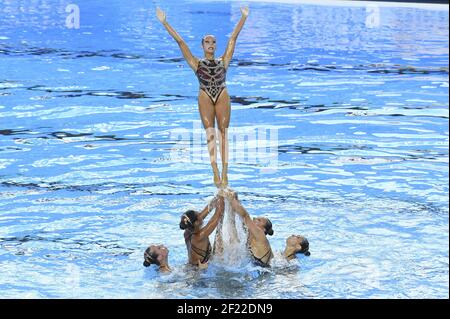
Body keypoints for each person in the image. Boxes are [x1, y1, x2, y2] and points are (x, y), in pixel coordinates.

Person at [156, 6, 250, 188]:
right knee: (210, 134)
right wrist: (165, 22)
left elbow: (233, 39)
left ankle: (225, 172)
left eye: (213, 42)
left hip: (222, 93)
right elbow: (181, 42)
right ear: (202, 45)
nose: (211, 44)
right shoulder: (196, 63)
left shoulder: (224, 61)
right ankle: (214, 170)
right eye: (208, 42)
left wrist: (243, 17)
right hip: (205, 95)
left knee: (223, 133)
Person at [226, 191, 274, 267]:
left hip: (263, 273)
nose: (254, 218)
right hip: (253, 269)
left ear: (263, 229)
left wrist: (231, 199)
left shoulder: (261, 237)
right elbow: (240, 217)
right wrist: (235, 198)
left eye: (258, 220)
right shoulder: (250, 233)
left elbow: (245, 216)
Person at [179, 194, 225, 267]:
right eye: (199, 214)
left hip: (190, 268)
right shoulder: (200, 236)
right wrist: (222, 196)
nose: (201, 214)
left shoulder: (188, 231)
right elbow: (218, 215)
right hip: (197, 274)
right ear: (197, 222)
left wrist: (219, 194)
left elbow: (207, 210)